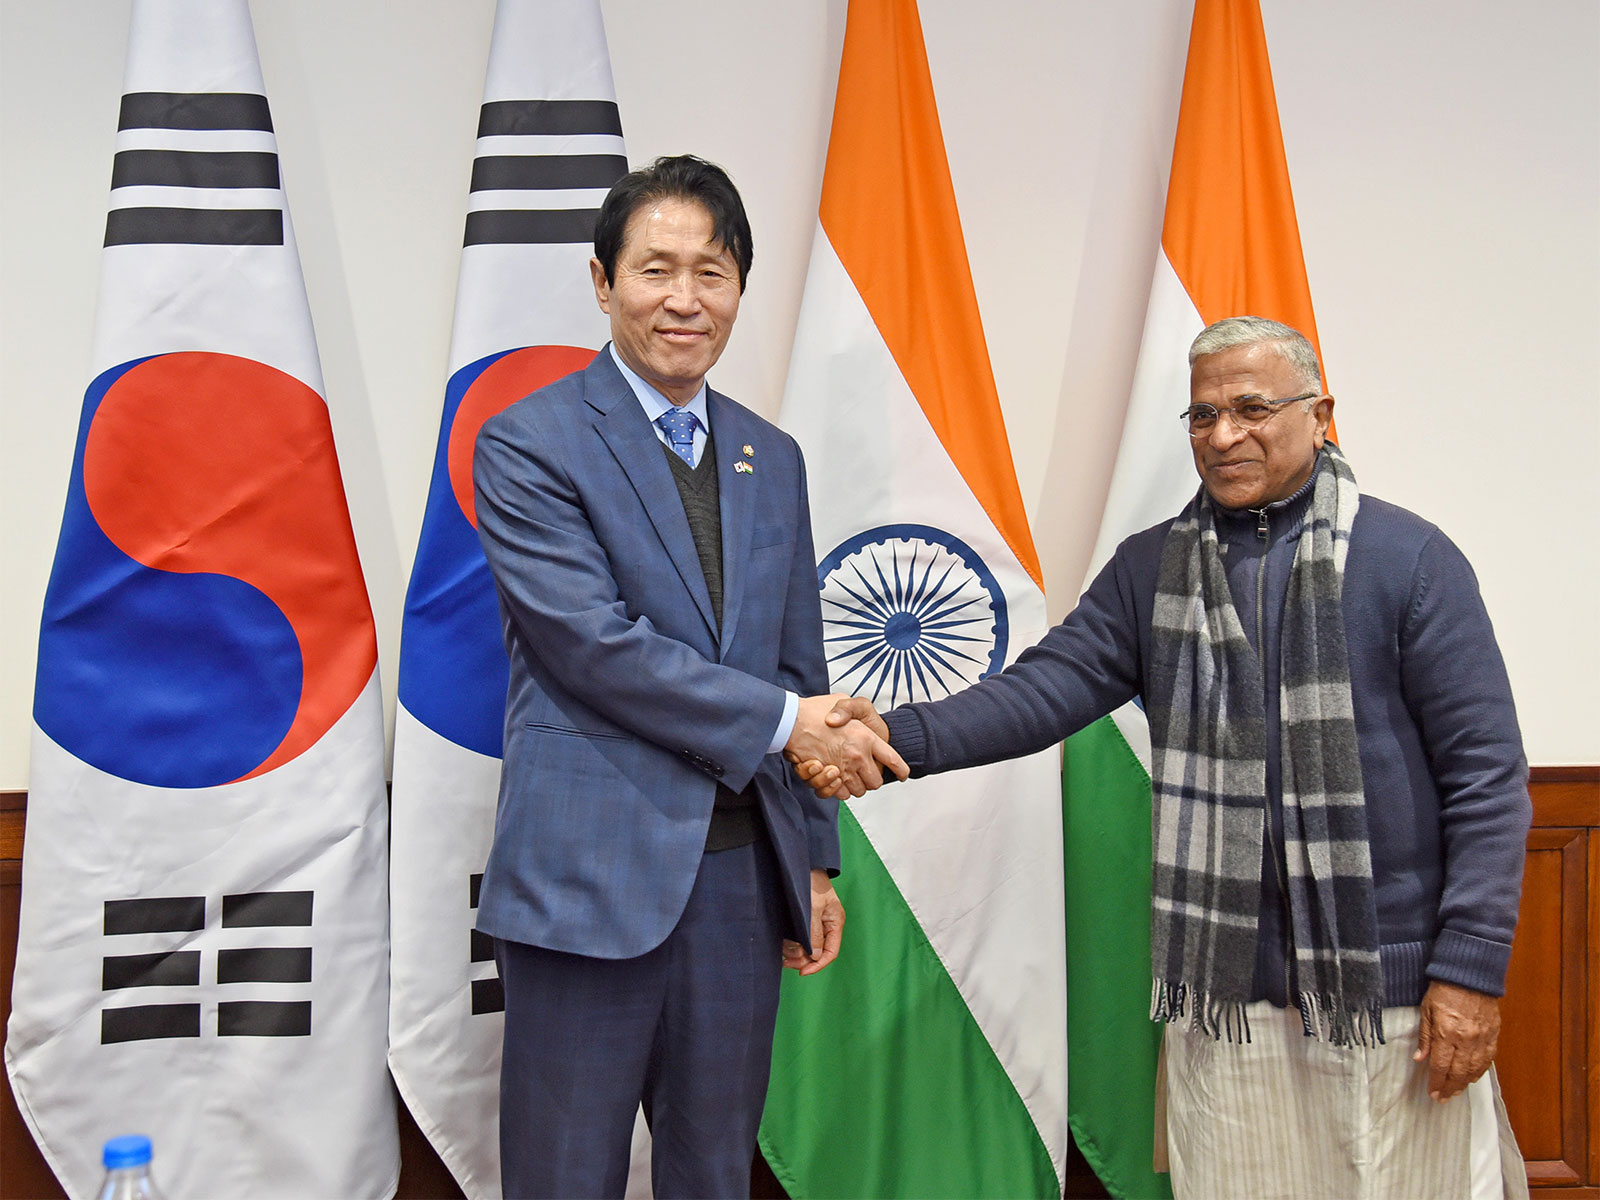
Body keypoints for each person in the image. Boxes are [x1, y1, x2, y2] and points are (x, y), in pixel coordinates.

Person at [797, 316, 1532, 1198]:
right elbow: (1043, 693)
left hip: (1393, 996)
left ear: (1320, 411)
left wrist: (1470, 974)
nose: (1224, 436)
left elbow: (1486, 781)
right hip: (1229, 1000)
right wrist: (888, 738)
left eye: (1253, 408)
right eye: (1202, 415)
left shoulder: (1411, 560)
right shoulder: (1152, 570)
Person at [472, 154, 905, 1200]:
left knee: (714, 1172)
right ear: (601, 281)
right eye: (655, 268)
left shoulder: (772, 454)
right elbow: (592, 646)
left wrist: (809, 856)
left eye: (711, 272)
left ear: (739, 289)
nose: (683, 298)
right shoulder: (528, 443)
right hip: (587, 880)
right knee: (563, 1175)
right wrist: (792, 721)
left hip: (736, 887)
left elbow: (797, 656)